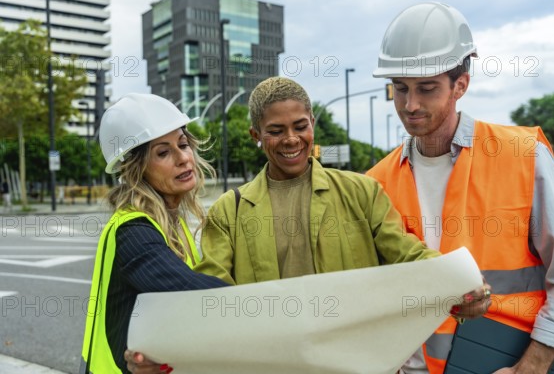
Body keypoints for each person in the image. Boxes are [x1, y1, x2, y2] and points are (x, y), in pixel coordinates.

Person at [124, 76, 492, 373]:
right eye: (275, 130)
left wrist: (460, 284)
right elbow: (210, 303)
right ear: (256, 136)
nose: (291, 140)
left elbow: (408, 255)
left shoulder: (362, 192)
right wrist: (162, 354)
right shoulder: (228, 212)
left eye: (300, 126)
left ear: (312, 123)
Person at [367, 2, 554, 374]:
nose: (410, 104)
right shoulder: (374, 181)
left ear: (461, 84)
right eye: (400, 88)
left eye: (426, 88)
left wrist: (532, 368)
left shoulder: (524, 156)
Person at [80, 93, 228, 374]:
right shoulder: (133, 232)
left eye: (183, 144)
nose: (184, 158)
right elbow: (191, 293)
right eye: (163, 152)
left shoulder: (171, 222)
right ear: (137, 169)